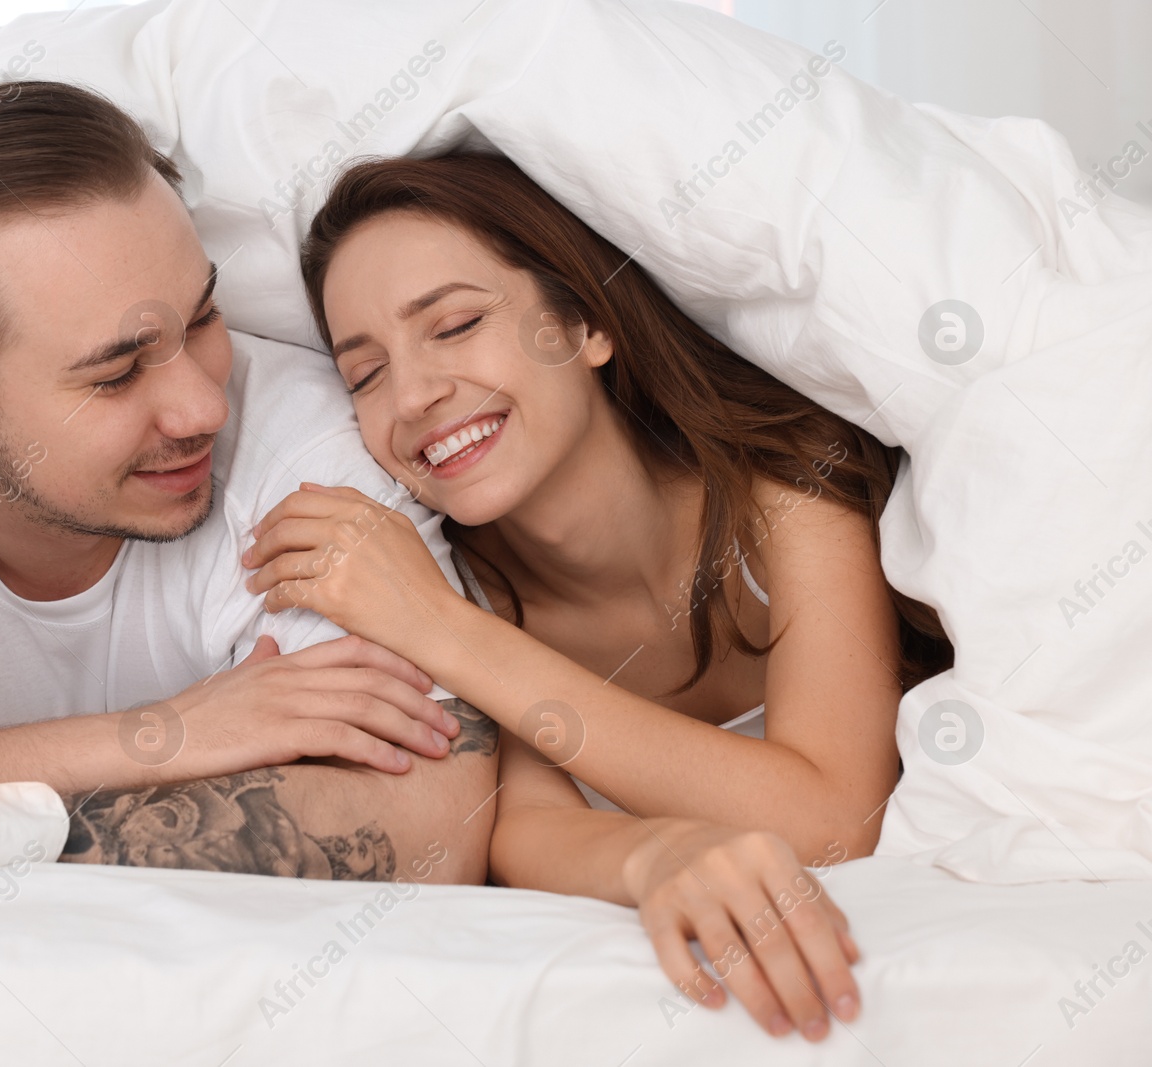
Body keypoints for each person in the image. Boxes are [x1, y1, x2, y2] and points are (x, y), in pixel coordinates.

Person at [245, 152, 955, 1040]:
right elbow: (520, 831)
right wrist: (657, 852)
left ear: (585, 324)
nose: (415, 394)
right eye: (364, 374)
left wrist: (441, 628)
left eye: (456, 324)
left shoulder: (788, 482)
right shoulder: (468, 583)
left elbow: (835, 820)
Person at [0, 82, 499, 884]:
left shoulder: (297, 443)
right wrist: (161, 734)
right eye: (116, 373)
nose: (205, 405)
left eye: (203, 320)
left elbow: (432, 828)